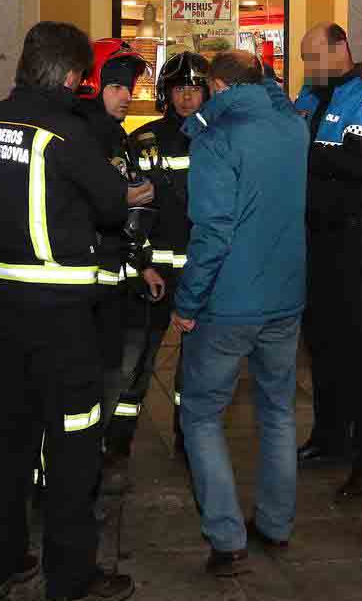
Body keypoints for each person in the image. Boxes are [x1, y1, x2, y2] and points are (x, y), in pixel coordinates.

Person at [0, 22, 152, 601]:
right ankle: (71, 575)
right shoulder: (66, 131)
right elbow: (107, 201)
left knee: (8, 441)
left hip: (2, 312)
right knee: (74, 447)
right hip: (61, 317)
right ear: (75, 77)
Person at [172, 50, 308, 577]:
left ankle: (227, 538)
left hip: (228, 303)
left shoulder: (216, 138)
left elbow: (212, 232)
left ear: (220, 85)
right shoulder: (294, 128)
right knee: (277, 410)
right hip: (285, 297)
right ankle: (276, 524)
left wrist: (188, 303)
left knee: (202, 415)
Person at [294, 23, 362, 501]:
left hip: (353, 244)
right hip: (313, 243)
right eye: (303, 59)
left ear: (341, 49)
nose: (308, 67)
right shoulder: (310, 97)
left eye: (314, 56)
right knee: (322, 347)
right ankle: (329, 437)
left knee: (361, 356)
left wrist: (307, 154)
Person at [103, 52, 210, 475]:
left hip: (201, 273)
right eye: (178, 89)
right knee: (135, 363)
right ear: (166, 94)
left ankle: (189, 439)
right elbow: (129, 216)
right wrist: (141, 262)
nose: (186, 98)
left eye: (195, 89)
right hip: (154, 274)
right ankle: (117, 442)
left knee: (196, 368)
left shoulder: (218, 140)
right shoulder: (142, 140)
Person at [71, 39, 157, 489]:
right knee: (90, 384)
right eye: (119, 85)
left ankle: (91, 455)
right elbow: (101, 201)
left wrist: (139, 261)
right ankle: (72, 472)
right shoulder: (86, 133)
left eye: (131, 86)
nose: (128, 94)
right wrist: (128, 195)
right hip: (85, 290)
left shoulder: (109, 133)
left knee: (108, 374)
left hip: (109, 283)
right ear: (95, 83)